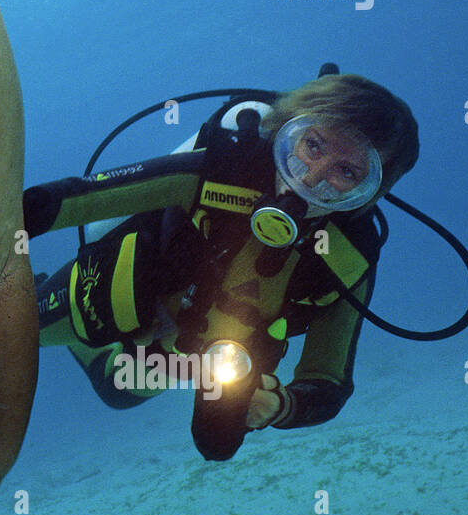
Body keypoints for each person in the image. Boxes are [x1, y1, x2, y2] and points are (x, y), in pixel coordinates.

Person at [22, 71, 420, 460]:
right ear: (290, 131)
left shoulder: (349, 255)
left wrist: (280, 406)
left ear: (371, 192)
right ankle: (37, 297)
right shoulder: (228, 164)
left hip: (202, 354)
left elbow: (328, 382)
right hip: (131, 291)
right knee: (20, 331)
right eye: (313, 146)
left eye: (347, 172)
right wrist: (3, 221)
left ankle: (86, 344)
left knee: (121, 393)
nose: (313, 179)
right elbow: (84, 198)